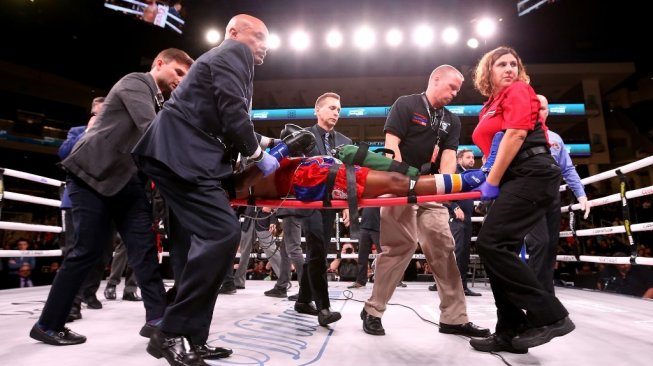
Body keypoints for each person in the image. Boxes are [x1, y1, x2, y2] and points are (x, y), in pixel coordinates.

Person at [132, 14, 281, 365]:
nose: (262, 45)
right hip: (181, 157)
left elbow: (224, 121)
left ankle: (192, 337)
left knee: (211, 244)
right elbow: (233, 113)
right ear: (233, 33)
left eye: (266, 40)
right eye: (257, 36)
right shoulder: (233, 53)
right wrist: (259, 155)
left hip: (184, 157)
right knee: (222, 234)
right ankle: (169, 331)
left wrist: (273, 142)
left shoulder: (226, 61)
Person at [29, 48, 194, 347]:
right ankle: (48, 324)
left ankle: (157, 320)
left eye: (186, 76)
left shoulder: (159, 100)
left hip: (127, 184)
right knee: (86, 252)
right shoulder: (135, 83)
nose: (181, 81)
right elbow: (151, 132)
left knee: (144, 251)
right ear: (159, 63)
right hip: (91, 176)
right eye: (178, 73)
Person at [360, 65, 490, 339]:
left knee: (444, 249)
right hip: (398, 185)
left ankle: (454, 318)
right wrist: (398, 180)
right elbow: (391, 145)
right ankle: (373, 310)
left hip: (431, 188)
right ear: (436, 79)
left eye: (458, 89)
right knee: (399, 248)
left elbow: (448, 158)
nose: (455, 93)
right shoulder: (406, 104)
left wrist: (443, 189)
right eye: (452, 87)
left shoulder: (452, 121)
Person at [468, 46, 575, 354]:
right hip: (515, 176)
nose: (509, 68)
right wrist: (489, 175)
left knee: (490, 243)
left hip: (533, 172)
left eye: (513, 63)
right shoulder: (489, 105)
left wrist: (492, 181)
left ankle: (550, 316)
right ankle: (509, 330)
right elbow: (494, 147)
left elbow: (515, 135)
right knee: (499, 250)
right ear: (487, 72)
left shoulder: (519, 90)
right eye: (501, 64)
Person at [524, 94, 591, 294]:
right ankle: (536, 297)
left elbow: (568, 169)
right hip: (528, 197)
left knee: (551, 246)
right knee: (540, 243)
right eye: (535, 107)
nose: (539, 111)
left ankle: (546, 295)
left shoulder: (556, 138)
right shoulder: (519, 134)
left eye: (543, 108)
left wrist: (581, 195)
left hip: (552, 197)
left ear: (548, 112)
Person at [58, 97, 108, 320]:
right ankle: (71, 302)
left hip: (106, 199)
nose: (100, 119)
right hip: (77, 200)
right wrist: (86, 132)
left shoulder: (113, 135)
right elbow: (64, 153)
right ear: (91, 114)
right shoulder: (76, 130)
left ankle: (89, 293)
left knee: (102, 251)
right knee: (75, 250)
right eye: (96, 114)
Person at [219, 206, 282, 293]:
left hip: (264, 221)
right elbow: (243, 204)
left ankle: (284, 279)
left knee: (271, 250)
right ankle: (239, 282)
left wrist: (273, 221)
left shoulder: (266, 191)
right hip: (248, 221)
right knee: (244, 253)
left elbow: (273, 204)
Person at [448, 149, 481, 296]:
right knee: (458, 250)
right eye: (468, 157)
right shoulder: (455, 172)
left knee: (464, 252)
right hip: (455, 217)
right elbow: (445, 193)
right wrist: (454, 207)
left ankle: (462, 286)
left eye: (473, 157)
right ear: (459, 159)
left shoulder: (470, 176)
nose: (472, 160)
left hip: (467, 218)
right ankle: (453, 286)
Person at [348, 208, 381, 289]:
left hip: (378, 227)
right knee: (362, 256)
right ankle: (360, 281)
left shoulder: (379, 195)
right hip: (364, 227)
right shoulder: (366, 195)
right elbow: (357, 206)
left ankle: (393, 280)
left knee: (384, 255)